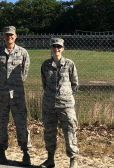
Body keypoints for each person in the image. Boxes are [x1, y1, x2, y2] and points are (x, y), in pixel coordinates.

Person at [0, 26, 31, 166]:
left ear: (16, 36)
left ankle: (26, 152)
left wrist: (16, 84)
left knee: (21, 123)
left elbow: (24, 72)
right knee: (1, 124)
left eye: (12, 35)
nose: (9, 37)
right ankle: (1, 151)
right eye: (7, 34)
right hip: (1, 94)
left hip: (17, 95)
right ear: (3, 36)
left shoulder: (22, 52)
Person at [40, 38, 79, 168]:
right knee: (49, 132)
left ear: (63, 48)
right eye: (54, 46)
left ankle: (73, 159)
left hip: (66, 105)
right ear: (50, 48)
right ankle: (50, 159)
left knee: (69, 132)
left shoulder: (69, 64)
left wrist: (65, 95)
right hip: (49, 104)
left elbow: (75, 84)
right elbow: (44, 84)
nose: (56, 49)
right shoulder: (45, 65)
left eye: (59, 47)